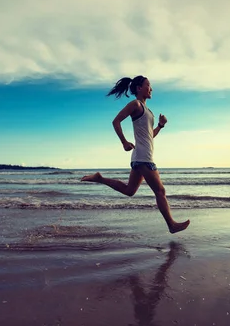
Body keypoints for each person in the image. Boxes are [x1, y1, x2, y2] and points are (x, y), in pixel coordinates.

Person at [81, 75, 190, 234]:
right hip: (143, 157)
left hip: (140, 156)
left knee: (129, 191)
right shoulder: (136, 104)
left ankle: (100, 178)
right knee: (160, 191)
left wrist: (160, 125)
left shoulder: (148, 111)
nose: (151, 88)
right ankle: (171, 225)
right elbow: (116, 121)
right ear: (139, 88)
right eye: (148, 85)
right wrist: (124, 142)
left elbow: (149, 135)